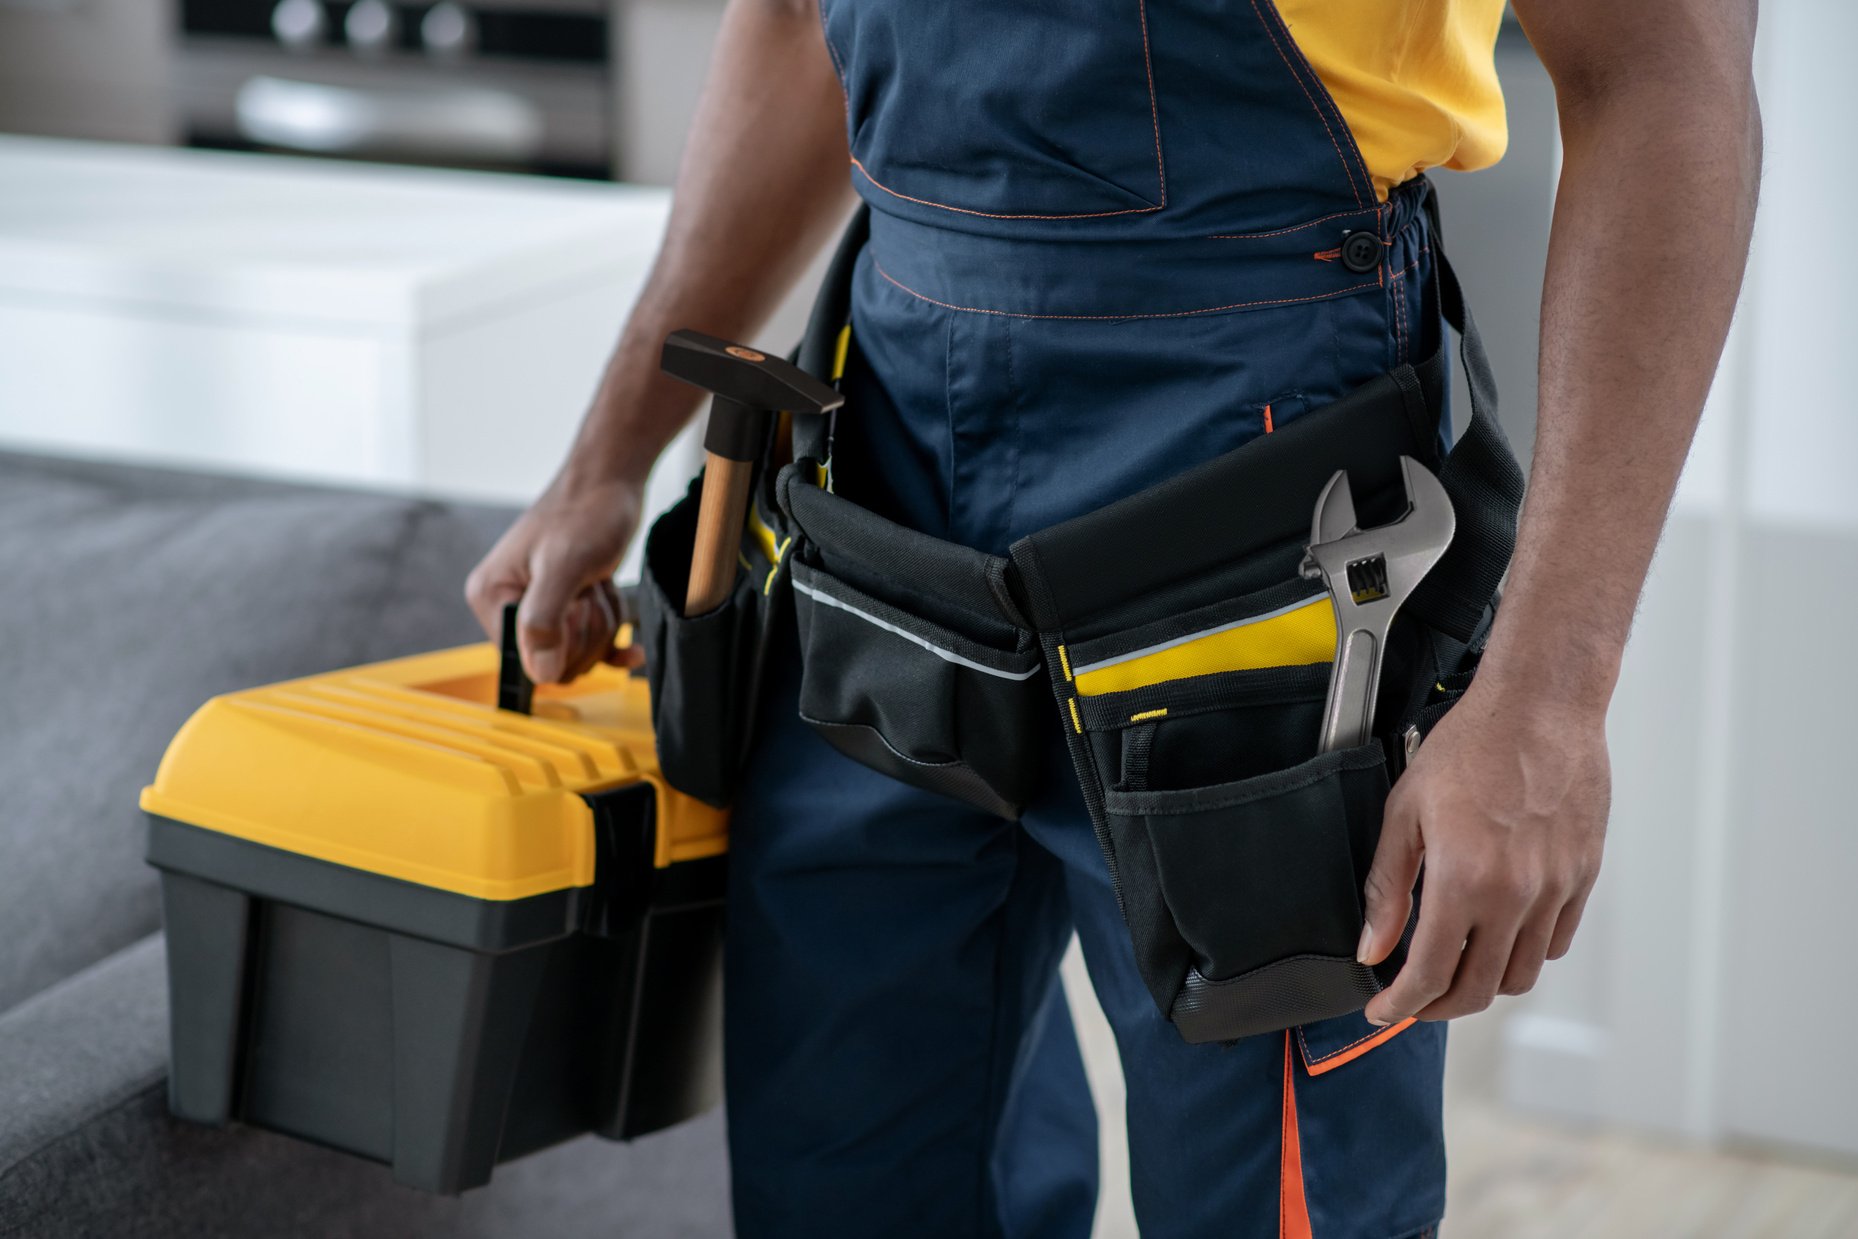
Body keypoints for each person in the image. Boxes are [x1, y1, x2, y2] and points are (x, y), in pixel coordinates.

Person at [466, 1, 1760, 1234]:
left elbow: (1661, 78)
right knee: (841, 1178)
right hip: (886, 492)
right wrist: (604, 462)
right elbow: (798, 23)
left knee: (1267, 1194)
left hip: (1260, 490)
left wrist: (1544, 701)